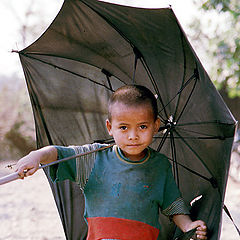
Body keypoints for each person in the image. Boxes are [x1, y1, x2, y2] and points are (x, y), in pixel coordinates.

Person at [16, 85, 207, 240]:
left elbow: (172, 204)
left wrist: (188, 225)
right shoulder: (93, 159)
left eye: (142, 126)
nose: (133, 136)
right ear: (110, 127)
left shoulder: (159, 166)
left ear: (156, 126)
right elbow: (58, 153)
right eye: (123, 127)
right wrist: (36, 156)